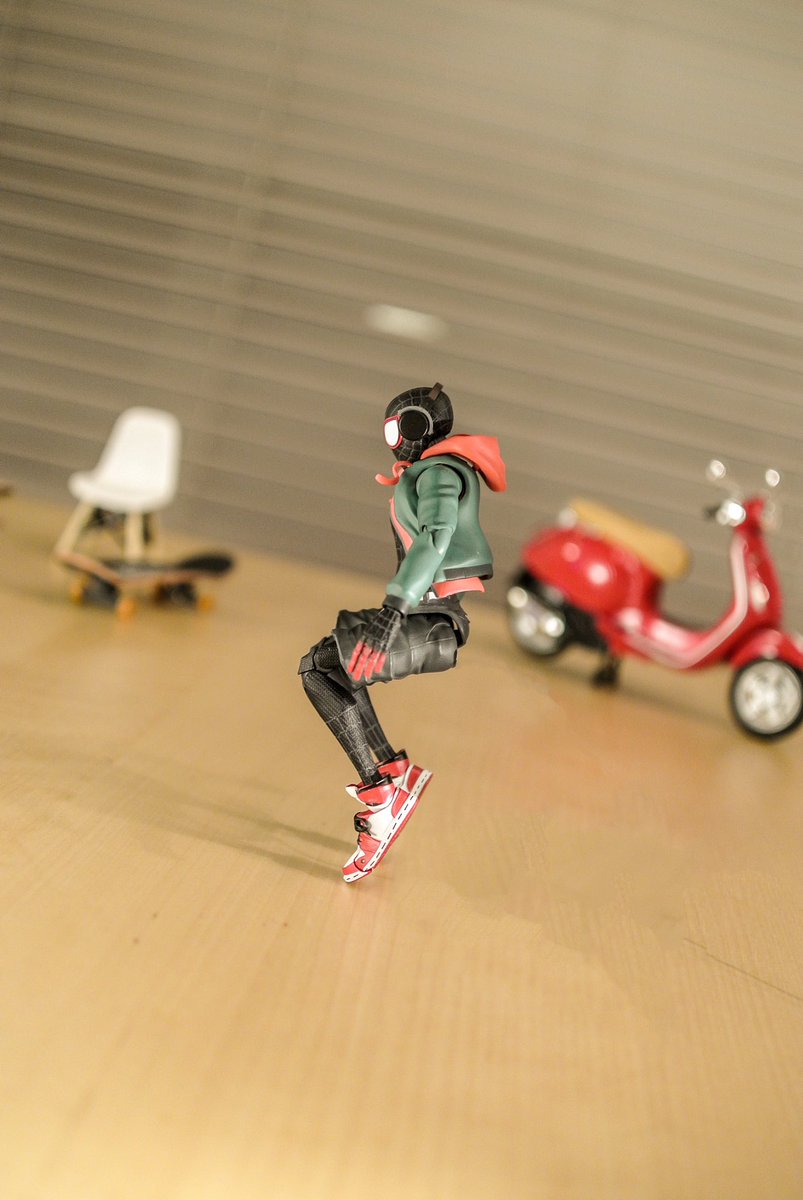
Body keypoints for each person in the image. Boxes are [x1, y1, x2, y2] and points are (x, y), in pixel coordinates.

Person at [299, 383, 506, 882]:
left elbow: (437, 536)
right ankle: (390, 771)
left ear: (416, 427)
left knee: (318, 669)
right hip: (430, 616)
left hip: (432, 620)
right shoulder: (435, 470)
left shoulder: (440, 472)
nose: (393, 441)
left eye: (398, 429)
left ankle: (382, 799)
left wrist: (394, 609)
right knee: (331, 666)